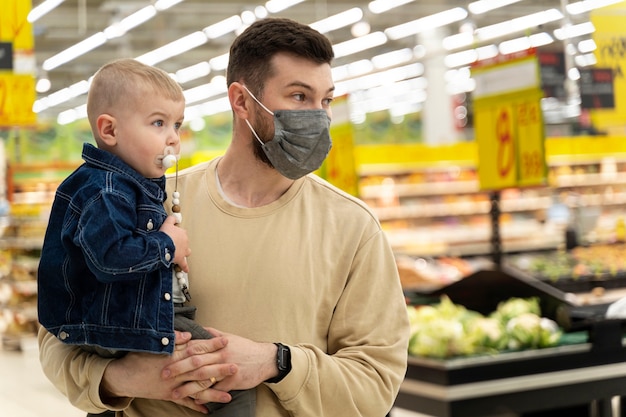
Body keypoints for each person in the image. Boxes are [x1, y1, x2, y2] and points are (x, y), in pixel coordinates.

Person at [38, 17, 410, 417]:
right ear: (242, 100)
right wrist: (123, 379)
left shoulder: (353, 226)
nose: (318, 116)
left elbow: (376, 384)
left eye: (326, 100)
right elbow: (57, 334)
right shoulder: (150, 204)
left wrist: (276, 362)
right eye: (299, 97)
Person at [36, 58, 254, 417]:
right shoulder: (106, 190)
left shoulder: (129, 186)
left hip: (117, 314)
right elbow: (111, 258)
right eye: (158, 123)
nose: (172, 137)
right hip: (118, 320)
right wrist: (167, 246)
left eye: (177, 125)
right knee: (231, 381)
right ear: (109, 131)